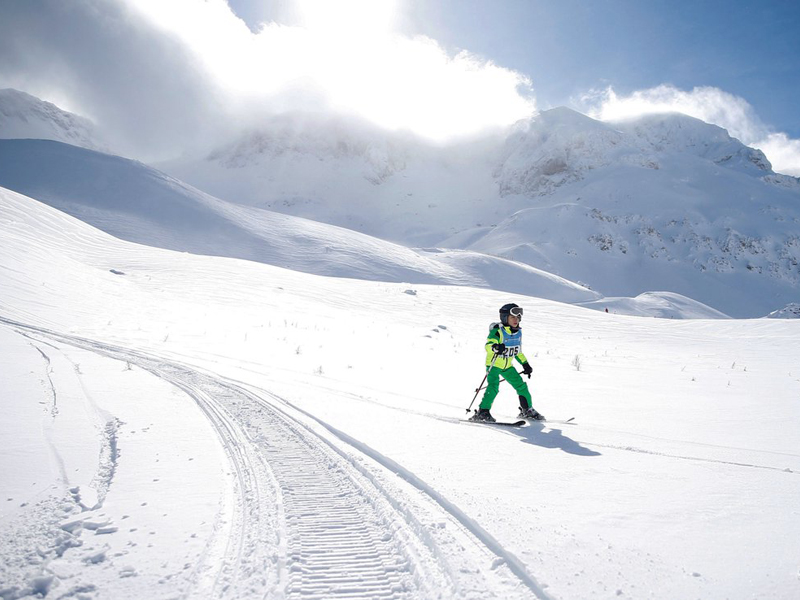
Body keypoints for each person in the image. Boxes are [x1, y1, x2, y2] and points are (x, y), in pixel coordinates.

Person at [472, 303, 545, 422]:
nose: (516, 320)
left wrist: (525, 364)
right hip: (494, 365)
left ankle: (527, 410)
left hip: (508, 367)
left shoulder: (517, 333)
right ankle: (483, 412)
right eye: (513, 317)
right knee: (494, 387)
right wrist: (495, 347)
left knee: (521, 386)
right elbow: (488, 345)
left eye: (518, 318)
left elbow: (517, 351)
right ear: (505, 318)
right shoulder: (497, 332)